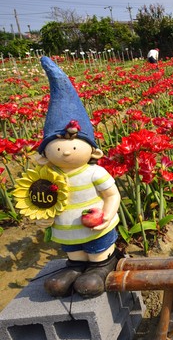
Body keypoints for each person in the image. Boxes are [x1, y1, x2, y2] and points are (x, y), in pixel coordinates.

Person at [15, 57, 121, 298]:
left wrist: (107, 215)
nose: (64, 150)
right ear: (45, 152)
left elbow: (112, 194)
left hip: (96, 230)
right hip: (67, 233)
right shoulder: (45, 177)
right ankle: (75, 267)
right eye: (56, 144)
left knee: (97, 250)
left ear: (92, 150)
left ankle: (101, 265)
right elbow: (40, 202)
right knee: (74, 251)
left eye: (73, 143)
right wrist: (42, 217)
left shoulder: (94, 172)